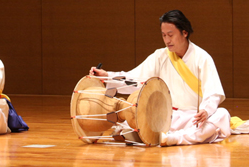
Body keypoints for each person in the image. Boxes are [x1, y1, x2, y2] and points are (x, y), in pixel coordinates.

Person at [90, 10, 231, 146]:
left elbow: (213, 92)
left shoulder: (202, 58)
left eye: (171, 34)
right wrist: (107, 76)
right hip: (167, 116)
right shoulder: (160, 56)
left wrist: (205, 110)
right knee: (139, 115)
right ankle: (168, 137)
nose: (167, 40)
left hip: (193, 118)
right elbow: (135, 78)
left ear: (185, 32)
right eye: (164, 35)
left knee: (222, 114)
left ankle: (173, 138)